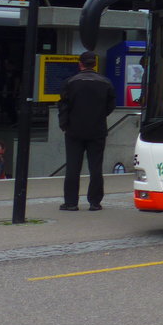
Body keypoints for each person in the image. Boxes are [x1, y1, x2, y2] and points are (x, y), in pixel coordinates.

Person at [57, 50, 116, 211]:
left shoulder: (70, 82)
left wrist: (65, 124)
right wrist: (99, 116)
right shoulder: (105, 82)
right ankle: (95, 202)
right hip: (97, 129)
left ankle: (71, 202)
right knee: (95, 167)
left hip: (74, 130)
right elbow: (110, 106)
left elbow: (63, 106)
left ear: (80, 64)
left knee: (72, 167)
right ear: (95, 64)